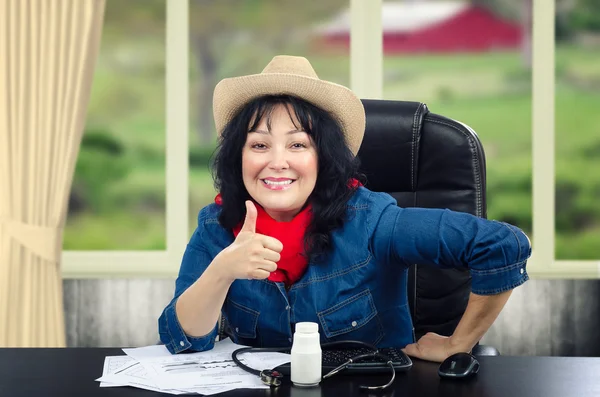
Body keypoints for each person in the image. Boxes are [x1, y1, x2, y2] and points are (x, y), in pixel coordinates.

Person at [158, 55, 531, 363]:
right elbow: (183, 339)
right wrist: (221, 270)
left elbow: (502, 245)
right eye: (259, 145)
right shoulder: (217, 225)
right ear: (238, 157)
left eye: (298, 145)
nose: (276, 162)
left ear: (324, 157)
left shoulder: (373, 220)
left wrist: (458, 344)